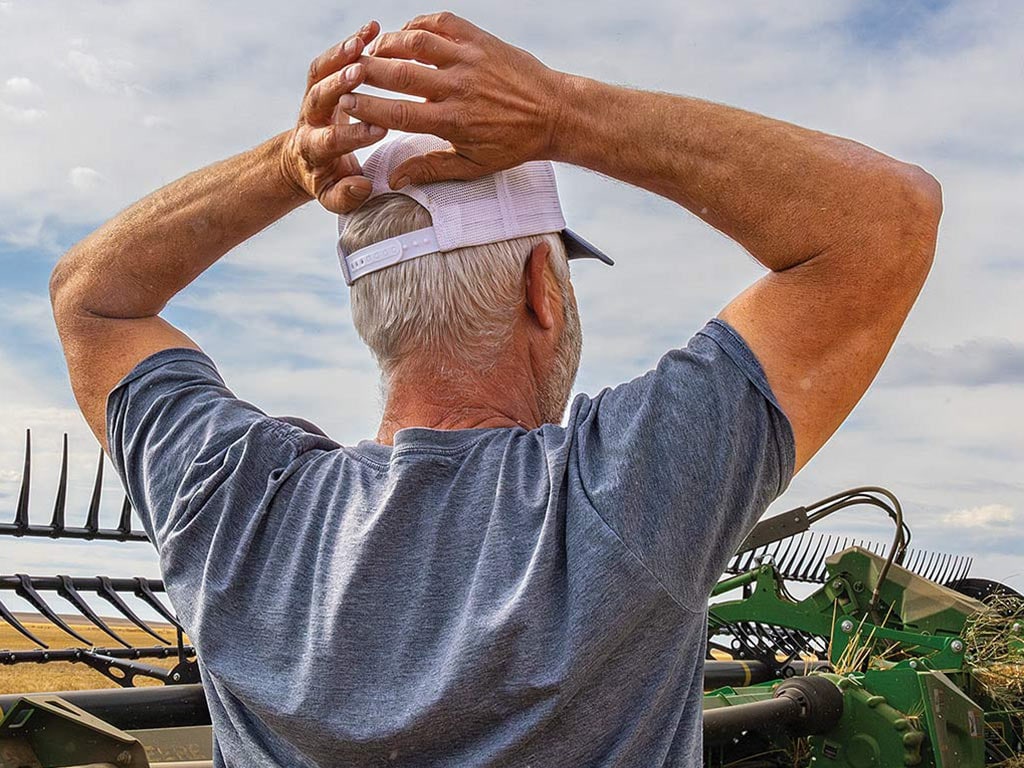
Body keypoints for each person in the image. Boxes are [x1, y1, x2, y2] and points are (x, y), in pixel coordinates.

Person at [49, 12, 941, 767]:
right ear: (540, 294)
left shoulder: (234, 502)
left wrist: (289, 163)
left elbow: (90, 299)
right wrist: (562, 112)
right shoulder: (622, 491)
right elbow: (887, 217)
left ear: (374, 307)